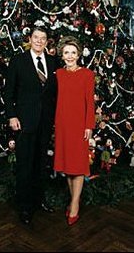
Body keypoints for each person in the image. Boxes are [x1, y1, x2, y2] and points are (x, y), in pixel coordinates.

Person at [3, 26, 58, 225]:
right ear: (30, 39)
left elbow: (55, 94)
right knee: (25, 164)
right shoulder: (18, 61)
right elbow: (8, 92)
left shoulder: (53, 62)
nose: (39, 41)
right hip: (24, 122)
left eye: (43, 38)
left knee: (41, 163)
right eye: (36, 37)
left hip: (45, 122)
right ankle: (25, 207)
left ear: (46, 41)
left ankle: (39, 200)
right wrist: (12, 116)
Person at [53, 36, 95, 226]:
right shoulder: (58, 74)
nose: (70, 56)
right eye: (66, 53)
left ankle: (75, 204)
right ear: (62, 55)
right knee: (68, 167)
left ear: (78, 54)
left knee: (77, 166)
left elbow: (90, 103)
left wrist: (89, 126)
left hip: (79, 126)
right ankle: (73, 200)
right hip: (62, 125)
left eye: (73, 52)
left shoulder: (87, 74)